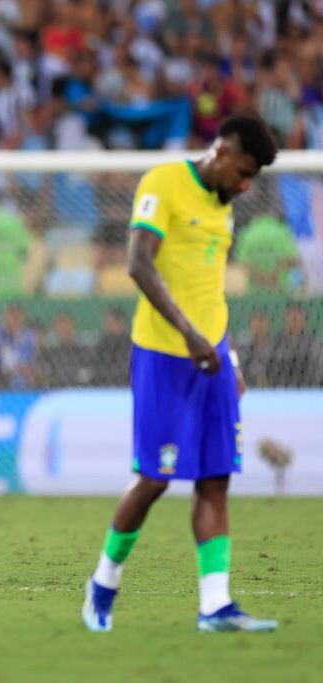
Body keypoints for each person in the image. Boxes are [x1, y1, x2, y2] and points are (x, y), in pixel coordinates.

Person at [82, 115, 279, 633]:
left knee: (215, 478)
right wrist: (190, 335)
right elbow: (139, 265)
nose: (245, 185)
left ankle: (215, 606)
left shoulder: (225, 209)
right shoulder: (163, 182)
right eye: (244, 171)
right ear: (222, 150)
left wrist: (226, 354)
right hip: (164, 355)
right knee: (154, 480)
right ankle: (103, 582)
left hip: (211, 356)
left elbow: (208, 290)